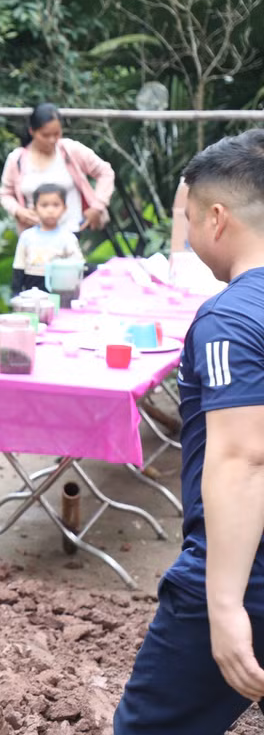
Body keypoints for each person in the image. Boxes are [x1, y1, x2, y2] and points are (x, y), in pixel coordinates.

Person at [114, 129, 264, 732]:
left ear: (218, 218)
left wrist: (223, 604)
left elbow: (244, 461)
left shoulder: (228, 319)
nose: (189, 233)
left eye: (188, 219)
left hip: (246, 574)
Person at [0, 102, 115, 234]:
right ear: (32, 131)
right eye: (45, 135)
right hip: (35, 237)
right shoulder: (17, 159)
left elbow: (105, 172)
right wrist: (18, 211)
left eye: (57, 134)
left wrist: (97, 206)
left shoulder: (70, 150)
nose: (52, 140)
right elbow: (5, 194)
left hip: (73, 232)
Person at [9, 183, 83, 295]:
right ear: (34, 208)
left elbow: (78, 265)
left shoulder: (68, 238)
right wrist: (16, 292)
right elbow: (19, 266)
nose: (50, 210)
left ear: (64, 208)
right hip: (31, 292)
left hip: (60, 291)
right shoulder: (26, 237)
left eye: (56, 205)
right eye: (44, 205)